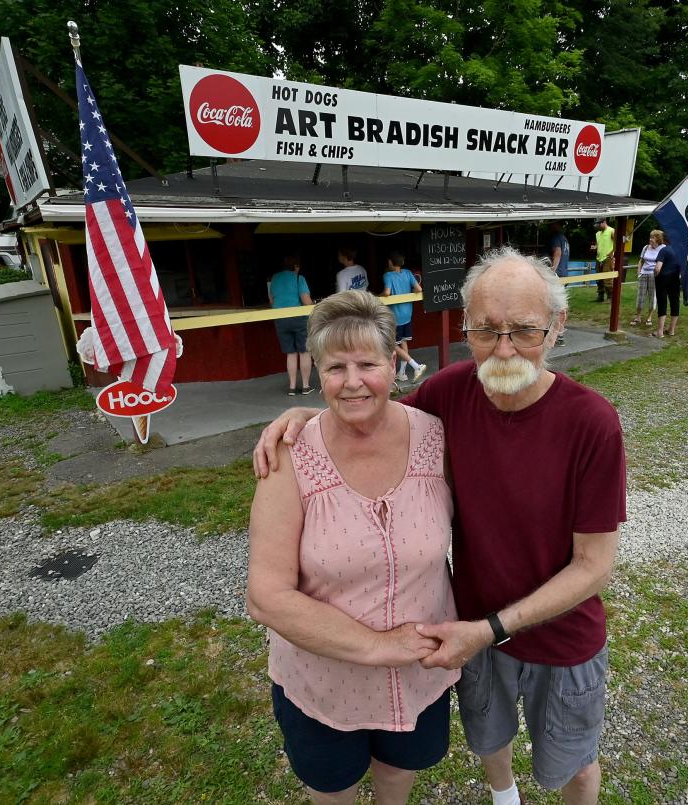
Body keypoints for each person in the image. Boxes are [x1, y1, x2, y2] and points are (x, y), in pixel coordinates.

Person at [255, 247, 626, 805]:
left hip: (556, 635)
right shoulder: (451, 393)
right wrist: (305, 417)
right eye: (485, 330)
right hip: (470, 634)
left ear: (556, 327)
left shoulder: (593, 423)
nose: (503, 349)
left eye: (523, 331)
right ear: (467, 327)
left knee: (572, 765)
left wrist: (491, 628)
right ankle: (505, 797)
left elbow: (595, 564)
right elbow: (369, 402)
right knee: (489, 739)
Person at [247, 290, 460, 805]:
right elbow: (266, 595)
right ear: (318, 371)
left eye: (367, 363)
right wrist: (382, 647)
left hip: (419, 675)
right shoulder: (290, 454)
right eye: (335, 367)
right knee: (334, 791)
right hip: (324, 683)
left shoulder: (437, 438)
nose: (352, 381)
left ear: (394, 361)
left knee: (396, 780)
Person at [268, 255, 315, 395]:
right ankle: (306, 386)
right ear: (296, 266)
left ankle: (292, 387)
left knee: (291, 353)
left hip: (280, 319)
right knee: (304, 351)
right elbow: (306, 301)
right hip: (299, 319)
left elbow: (271, 300)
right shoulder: (298, 278)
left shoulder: (274, 278)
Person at [380, 252, 427, 383]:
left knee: (392, 344)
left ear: (390, 262)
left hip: (395, 317)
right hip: (407, 315)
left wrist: (380, 295)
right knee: (403, 342)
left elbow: (387, 292)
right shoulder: (407, 273)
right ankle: (402, 373)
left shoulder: (388, 275)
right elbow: (418, 289)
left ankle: (416, 366)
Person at [631, 230, 664, 328]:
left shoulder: (663, 248)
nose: (650, 239)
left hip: (654, 275)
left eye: (653, 237)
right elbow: (641, 261)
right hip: (644, 274)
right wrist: (639, 272)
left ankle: (649, 317)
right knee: (640, 296)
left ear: (658, 239)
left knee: (652, 296)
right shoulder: (645, 247)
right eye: (650, 237)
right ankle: (638, 316)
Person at [653, 234, 682, 338]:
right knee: (675, 302)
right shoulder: (680, 251)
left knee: (662, 302)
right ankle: (671, 329)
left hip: (662, 279)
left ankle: (660, 331)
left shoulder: (664, 250)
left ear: (665, 240)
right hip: (675, 279)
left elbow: (657, 268)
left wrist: (655, 274)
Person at [589, 218, 616, 302]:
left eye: (599, 224)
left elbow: (618, 243)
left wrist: (611, 253)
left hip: (607, 258)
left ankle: (610, 297)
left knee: (607, 278)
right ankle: (600, 296)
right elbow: (598, 245)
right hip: (598, 258)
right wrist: (594, 248)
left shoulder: (612, 231)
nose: (597, 226)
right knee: (598, 278)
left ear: (604, 222)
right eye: (596, 224)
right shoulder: (597, 233)